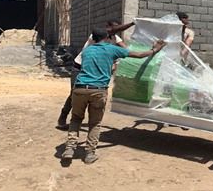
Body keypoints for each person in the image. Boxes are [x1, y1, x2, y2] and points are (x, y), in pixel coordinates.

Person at [60, 28, 165, 164]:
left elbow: (91, 67)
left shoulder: (86, 51)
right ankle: (89, 154)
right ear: (108, 38)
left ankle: (69, 148)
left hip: (79, 88)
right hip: (98, 90)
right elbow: (139, 55)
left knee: (76, 119)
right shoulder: (111, 49)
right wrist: (155, 49)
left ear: (93, 39)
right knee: (95, 123)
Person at [56, 19, 134, 129]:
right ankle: (64, 115)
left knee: (92, 93)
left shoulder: (115, 38)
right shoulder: (96, 36)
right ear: (107, 27)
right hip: (79, 67)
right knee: (75, 92)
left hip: (94, 69)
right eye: (114, 28)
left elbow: (125, 49)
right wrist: (132, 23)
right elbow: (114, 30)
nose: (115, 31)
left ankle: (84, 121)